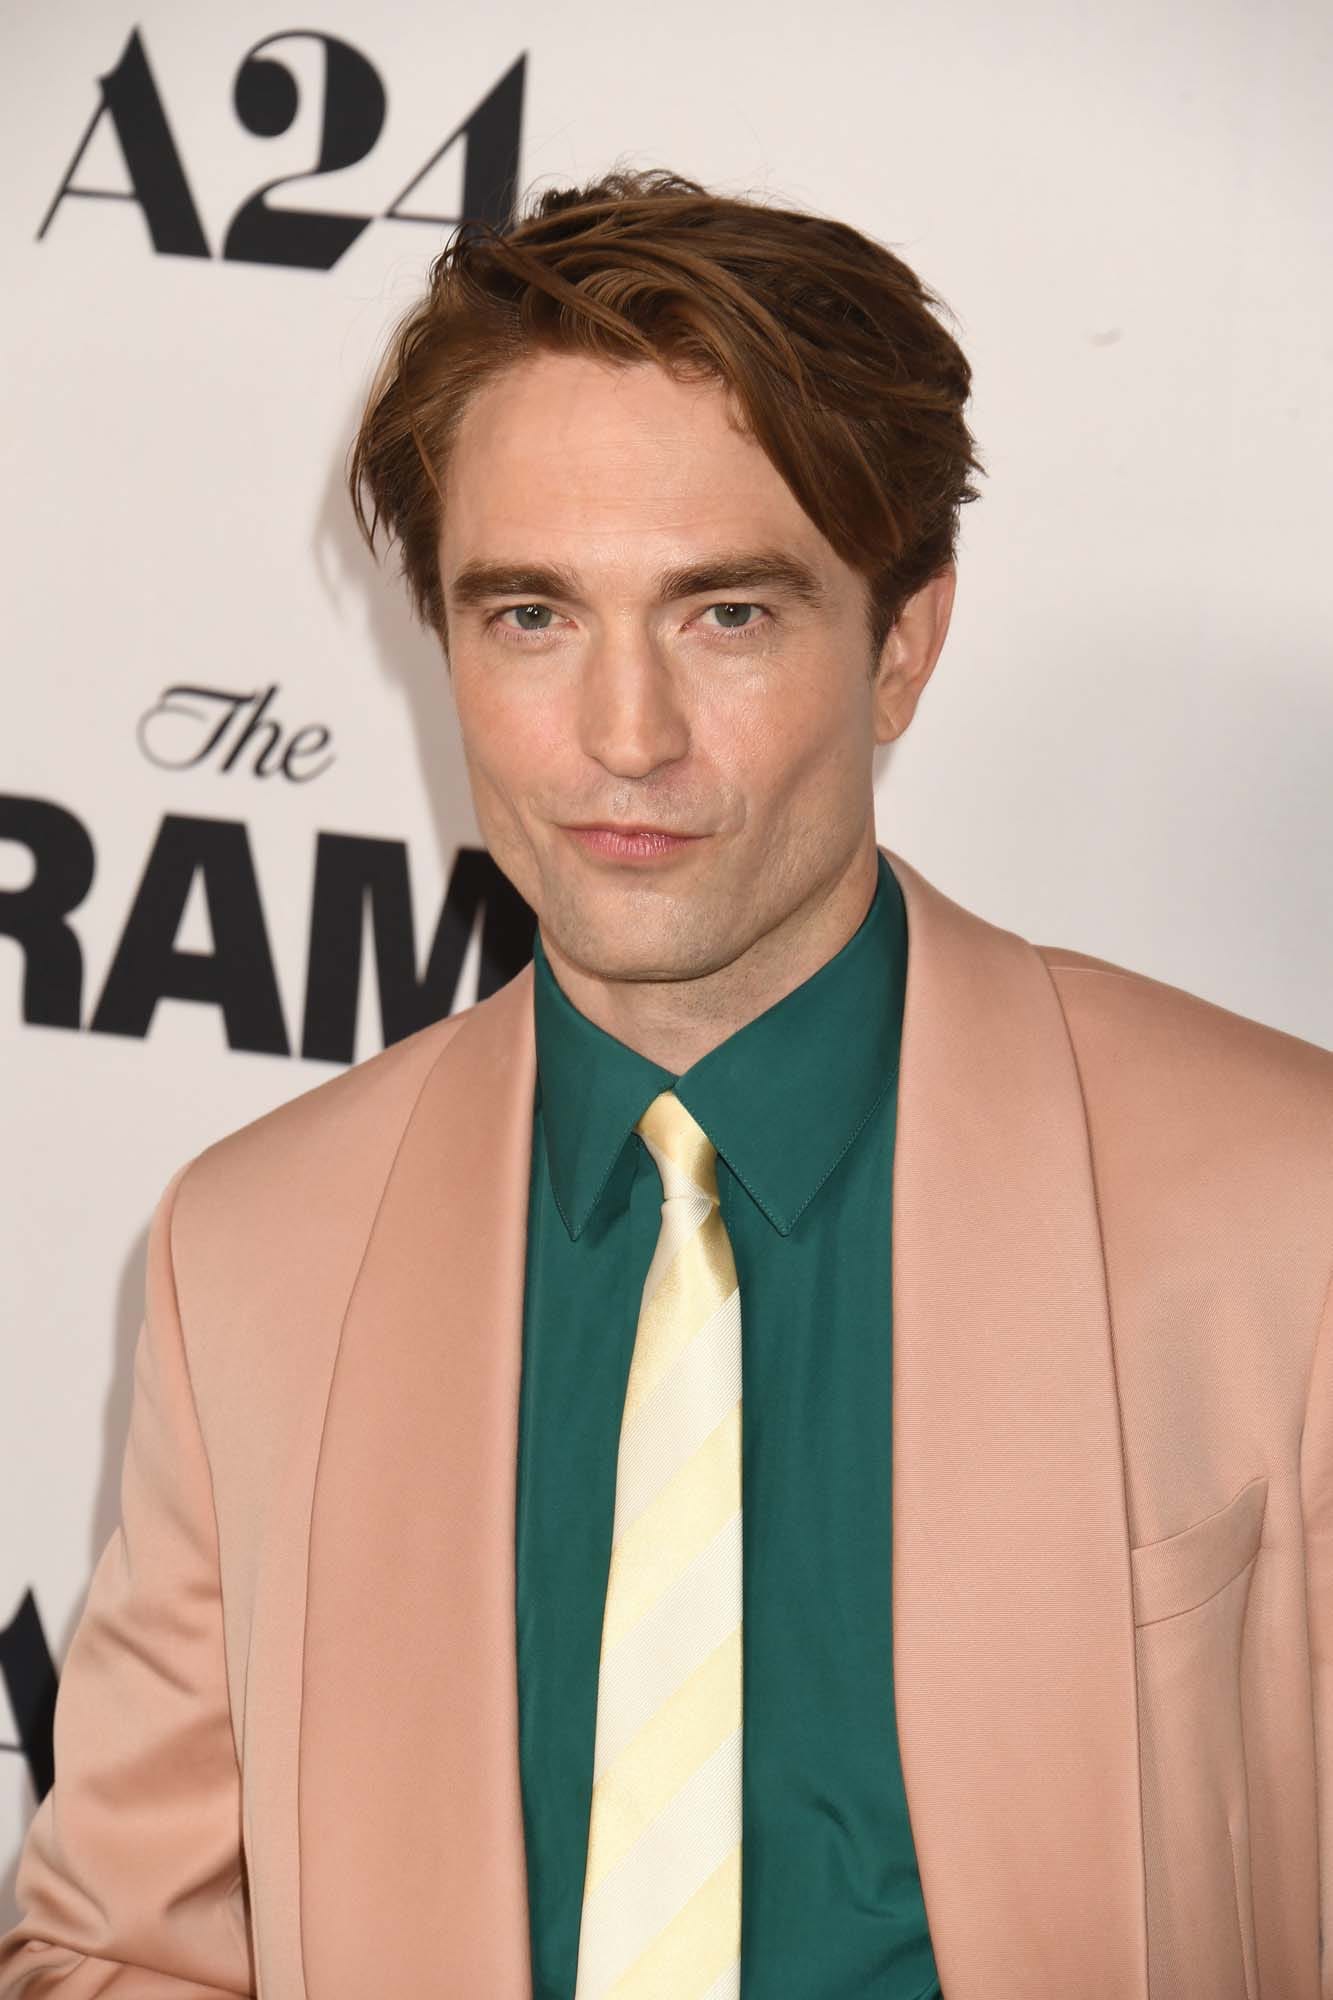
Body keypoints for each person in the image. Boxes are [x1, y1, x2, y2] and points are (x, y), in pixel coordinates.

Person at [2, 168, 1330, 2000]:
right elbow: (116, 1949)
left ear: (901, 643)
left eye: (726, 615)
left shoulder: (1284, 1210)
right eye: (530, 616)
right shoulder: (250, 1253)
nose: (621, 739)